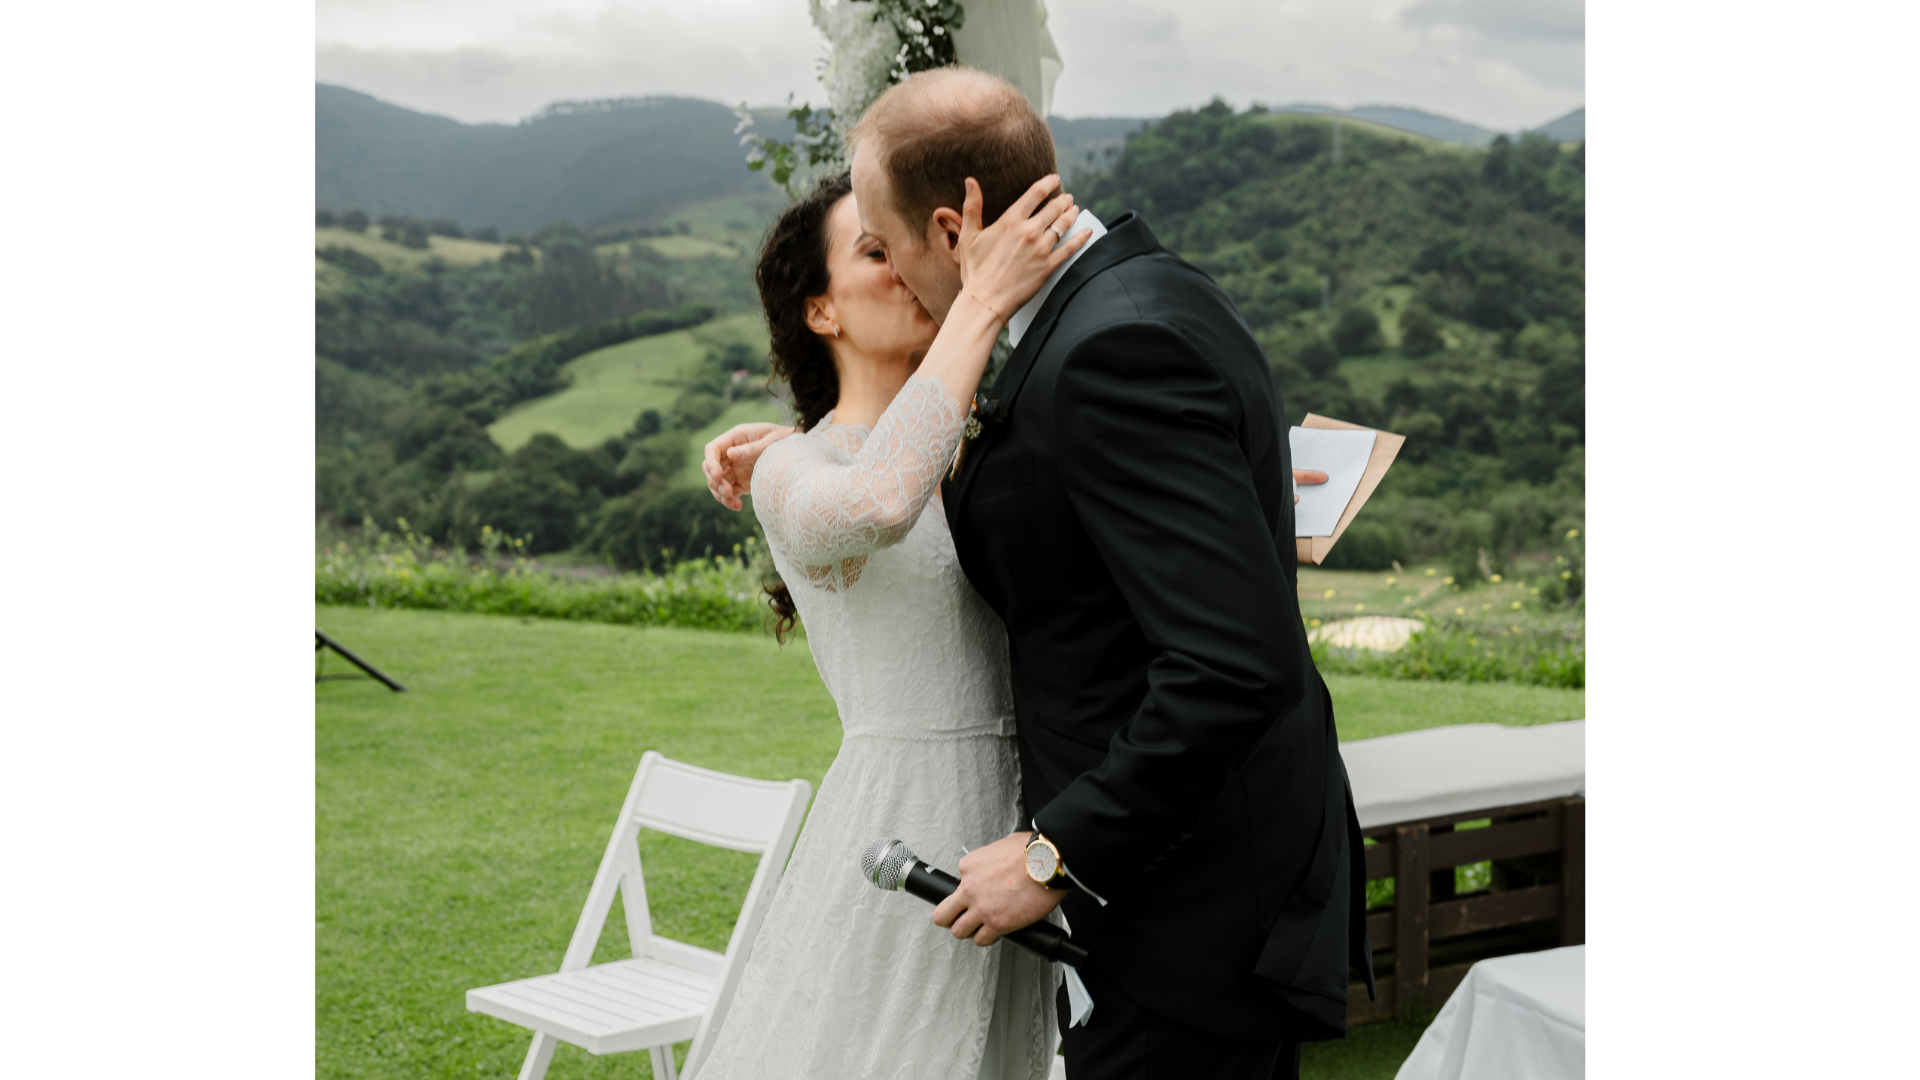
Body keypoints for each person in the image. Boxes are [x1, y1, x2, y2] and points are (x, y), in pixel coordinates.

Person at [704, 68, 1368, 1080]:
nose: (891, 271)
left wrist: (1058, 852)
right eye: (862, 257)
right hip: (986, 856)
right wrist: (793, 452)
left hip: (1162, 894)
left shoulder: (1106, 348)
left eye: (888, 245)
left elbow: (1233, 662)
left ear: (950, 225)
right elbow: (890, 495)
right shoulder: (1138, 303)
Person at [693, 168, 1090, 1080]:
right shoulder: (793, 468)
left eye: (911, 243)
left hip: (1036, 827)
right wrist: (980, 303)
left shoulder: (987, 449)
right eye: (876, 251)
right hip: (908, 828)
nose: (907, 264)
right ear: (820, 311)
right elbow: (874, 504)